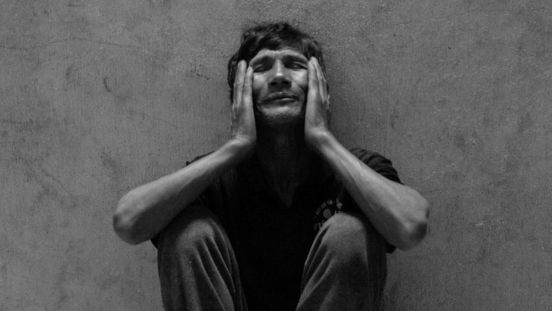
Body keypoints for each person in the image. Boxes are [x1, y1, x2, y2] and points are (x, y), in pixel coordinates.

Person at [113, 22, 429, 311]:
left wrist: (322, 138)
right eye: (262, 67)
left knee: (350, 233)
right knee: (188, 233)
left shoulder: (356, 168)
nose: (279, 76)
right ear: (240, 94)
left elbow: (410, 226)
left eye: (295, 65)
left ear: (321, 89)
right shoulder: (218, 179)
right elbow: (129, 221)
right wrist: (235, 147)